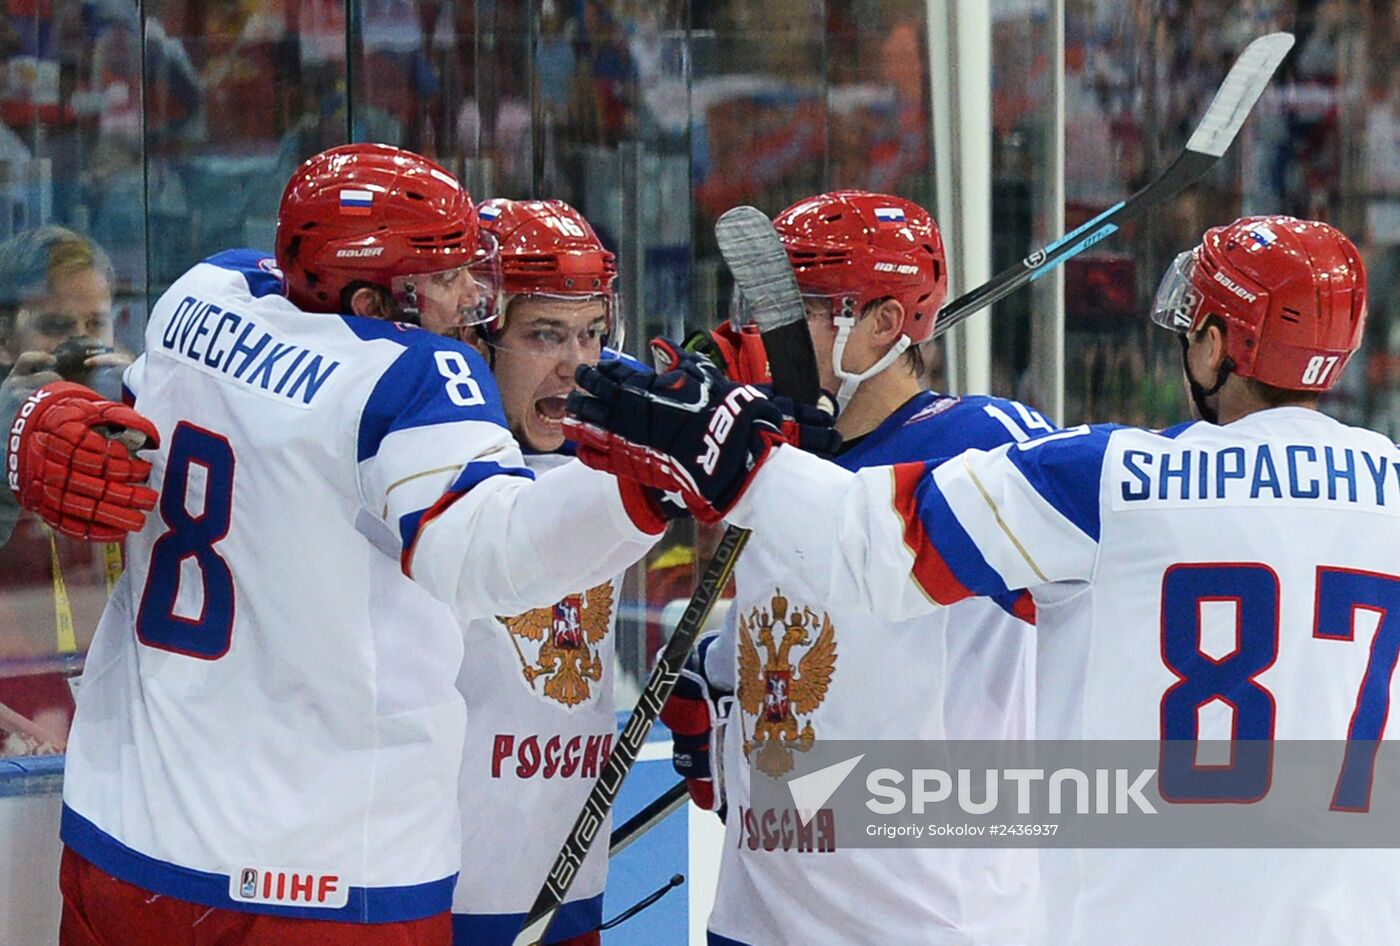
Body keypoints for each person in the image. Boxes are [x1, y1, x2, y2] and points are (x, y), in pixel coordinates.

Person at [564, 215, 1400, 945]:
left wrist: (732, 456)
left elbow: (879, 542)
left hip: (1141, 919)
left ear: (1218, 343)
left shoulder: (1114, 478)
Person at [10, 143, 671, 946]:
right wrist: (655, 476)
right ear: (373, 301)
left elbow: (123, 406)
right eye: (445, 278)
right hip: (320, 879)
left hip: (125, 836)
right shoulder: (415, 381)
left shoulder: (205, 292)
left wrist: (24, 419)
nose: (472, 299)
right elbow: (494, 550)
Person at [659, 191, 1040, 945]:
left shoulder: (980, 443)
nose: (768, 334)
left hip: (919, 919)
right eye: (764, 306)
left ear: (884, 324)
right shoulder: (782, 452)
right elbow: (801, 626)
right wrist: (717, 671)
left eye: (797, 307)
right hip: (759, 914)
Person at [448, 197, 631, 946]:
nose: (576, 364)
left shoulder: (610, 445)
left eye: (592, 333)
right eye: (544, 335)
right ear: (476, 338)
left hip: (566, 887)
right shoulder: (422, 461)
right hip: (431, 894)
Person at [0, 227, 129, 757]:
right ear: (5, 335)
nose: (79, 345)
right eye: (55, 327)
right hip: (20, 709)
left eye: (93, 324)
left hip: (113, 700)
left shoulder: (134, 424)